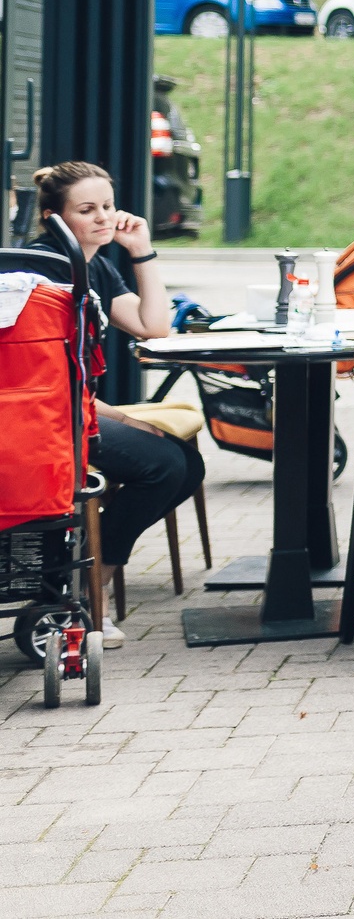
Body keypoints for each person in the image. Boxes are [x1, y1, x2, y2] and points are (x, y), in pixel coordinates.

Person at [35, 161, 190, 650]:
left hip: (79, 409)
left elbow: (154, 326)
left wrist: (142, 250)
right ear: (53, 218)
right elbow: (45, 375)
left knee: (189, 465)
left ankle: (87, 578)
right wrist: (107, 413)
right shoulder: (44, 268)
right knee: (164, 465)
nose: (103, 218)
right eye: (86, 210)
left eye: (107, 205)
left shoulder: (93, 262)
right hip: (47, 417)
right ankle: (82, 591)